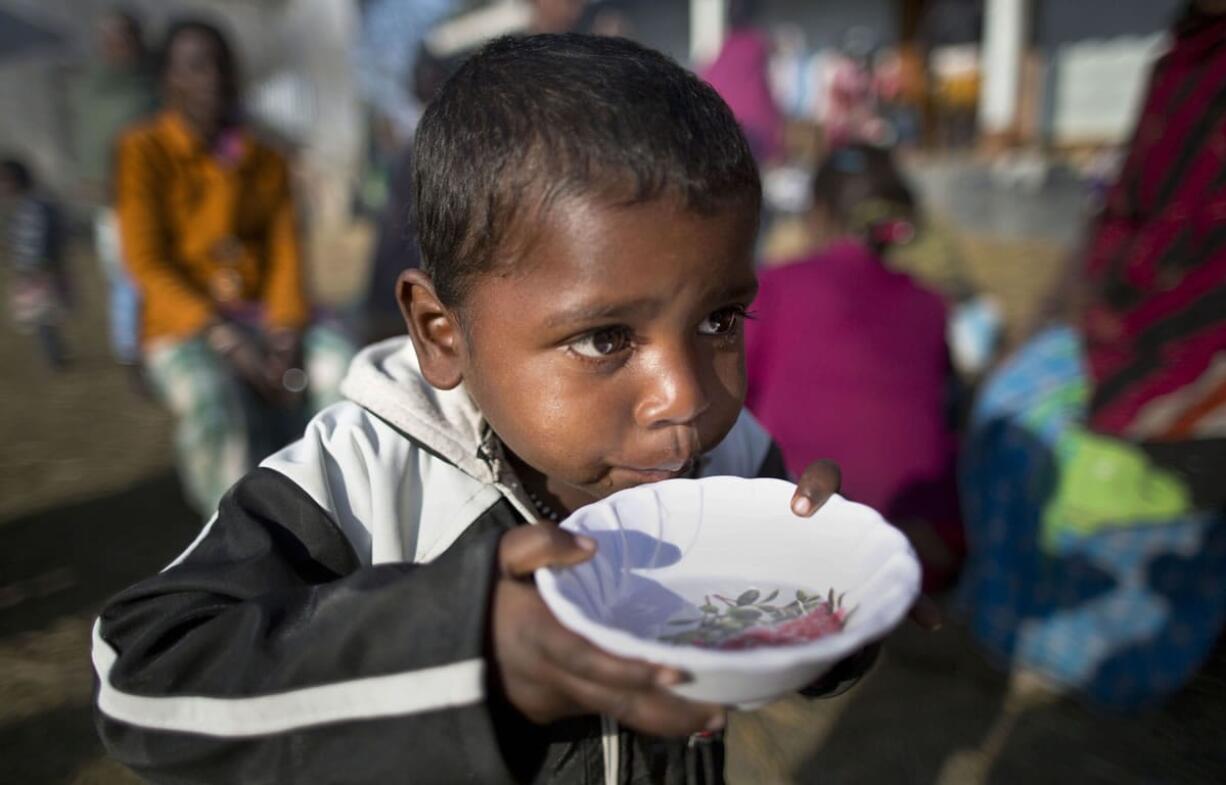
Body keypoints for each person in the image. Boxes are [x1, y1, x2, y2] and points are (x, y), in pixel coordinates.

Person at [91, 34, 917, 784]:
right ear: (440, 332)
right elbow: (143, 678)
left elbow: (802, 633)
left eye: (719, 320)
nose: (687, 397)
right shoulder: (364, 482)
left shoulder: (729, 455)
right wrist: (465, 645)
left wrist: (828, 591)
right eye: (603, 337)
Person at [959, 1, 1226, 709]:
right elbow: (1127, 210)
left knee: (1124, 478)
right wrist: (1056, 318)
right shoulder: (1185, 60)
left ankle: (1111, 650)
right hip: (1129, 317)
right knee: (1008, 414)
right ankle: (1026, 630)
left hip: (1198, 349)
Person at [114, 19, 354, 517]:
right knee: (211, 402)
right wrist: (223, 335)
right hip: (187, 324)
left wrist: (285, 331)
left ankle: (343, 516)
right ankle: (237, 540)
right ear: (169, 80)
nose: (213, 78)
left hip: (267, 317)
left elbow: (287, 252)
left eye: (221, 64)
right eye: (196, 66)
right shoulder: (144, 153)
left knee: (343, 371)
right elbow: (146, 262)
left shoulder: (264, 157)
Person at [745, 144, 962, 590]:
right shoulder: (930, 304)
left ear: (817, 214)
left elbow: (736, 391)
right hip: (922, 542)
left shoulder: (778, 286)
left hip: (802, 520)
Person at [71, 8, 157, 369]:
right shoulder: (92, 88)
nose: (120, 46)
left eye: (126, 37)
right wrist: (93, 180)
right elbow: (90, 141)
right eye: (112, 38)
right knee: (126, 278)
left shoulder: (156, 83)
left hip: (160, 196)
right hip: (115, 201)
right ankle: (130, 353)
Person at [1, 158, 68, 370]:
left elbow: (39, 238)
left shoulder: (35, 205)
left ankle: (54, 357)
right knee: (43, 315)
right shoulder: (22, 206)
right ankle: (54, 354)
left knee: (44, 314)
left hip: (39, 270)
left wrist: (36, 264)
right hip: (31, 270)